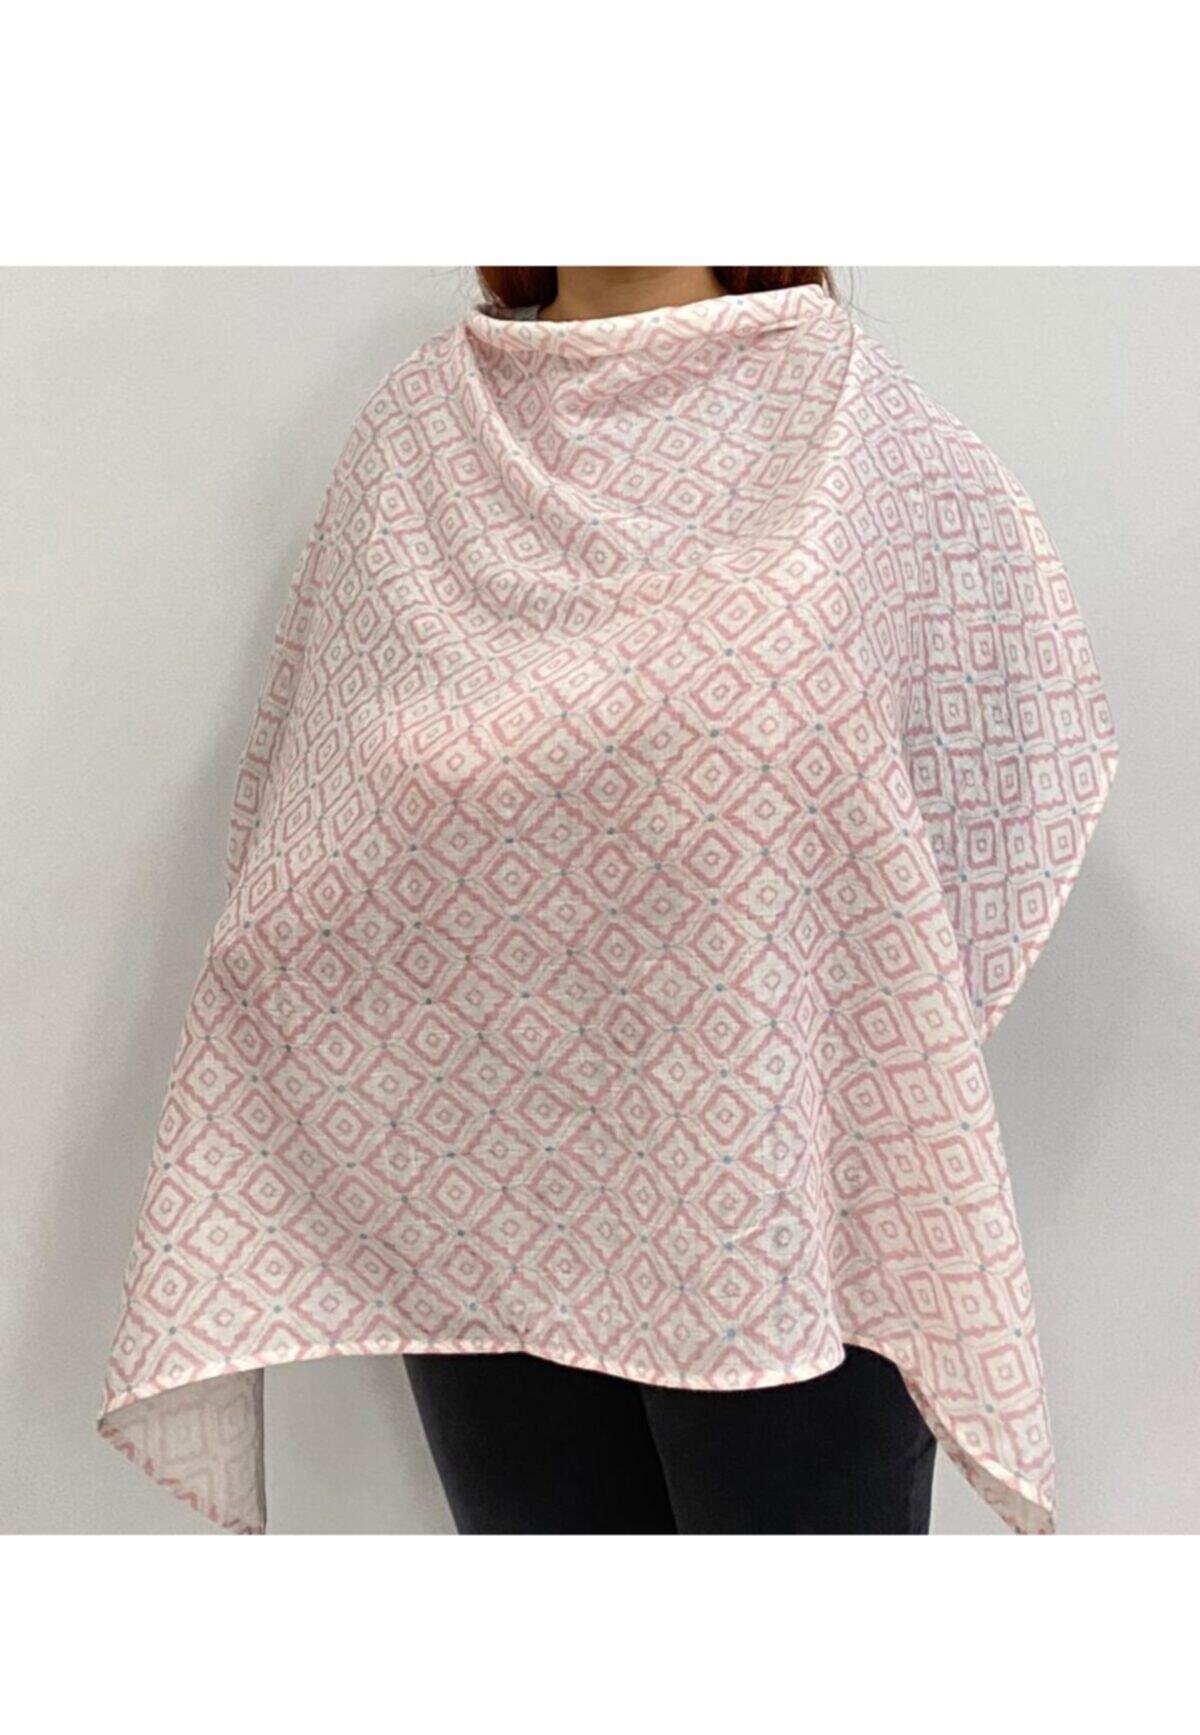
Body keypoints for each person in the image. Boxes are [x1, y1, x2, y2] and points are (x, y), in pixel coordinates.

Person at [97, 266, 1119, 1536]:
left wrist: (858, 1045)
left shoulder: (849, 420)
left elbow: (998, 752)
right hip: (479, 1195)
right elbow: (325, 821)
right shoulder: (419, 435)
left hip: (770, 1192)